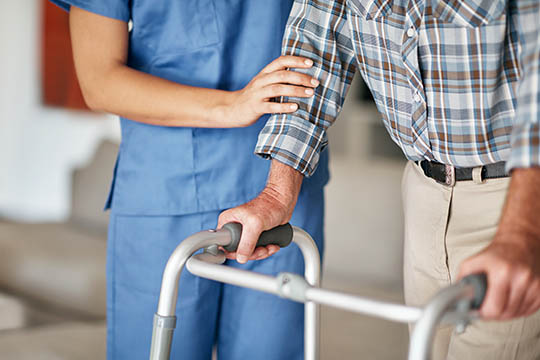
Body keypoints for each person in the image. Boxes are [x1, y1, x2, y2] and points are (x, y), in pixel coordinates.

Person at [219, 0, 540, 359]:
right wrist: (277, 193)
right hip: (423, 192)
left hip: (518, 195)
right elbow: (314, 53)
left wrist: (523, 232)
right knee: (427, 349)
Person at [49, 1, 329, 359]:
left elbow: (332, 36)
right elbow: (99, 81)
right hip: (168, 190)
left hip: (286, 186)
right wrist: (231, 106)